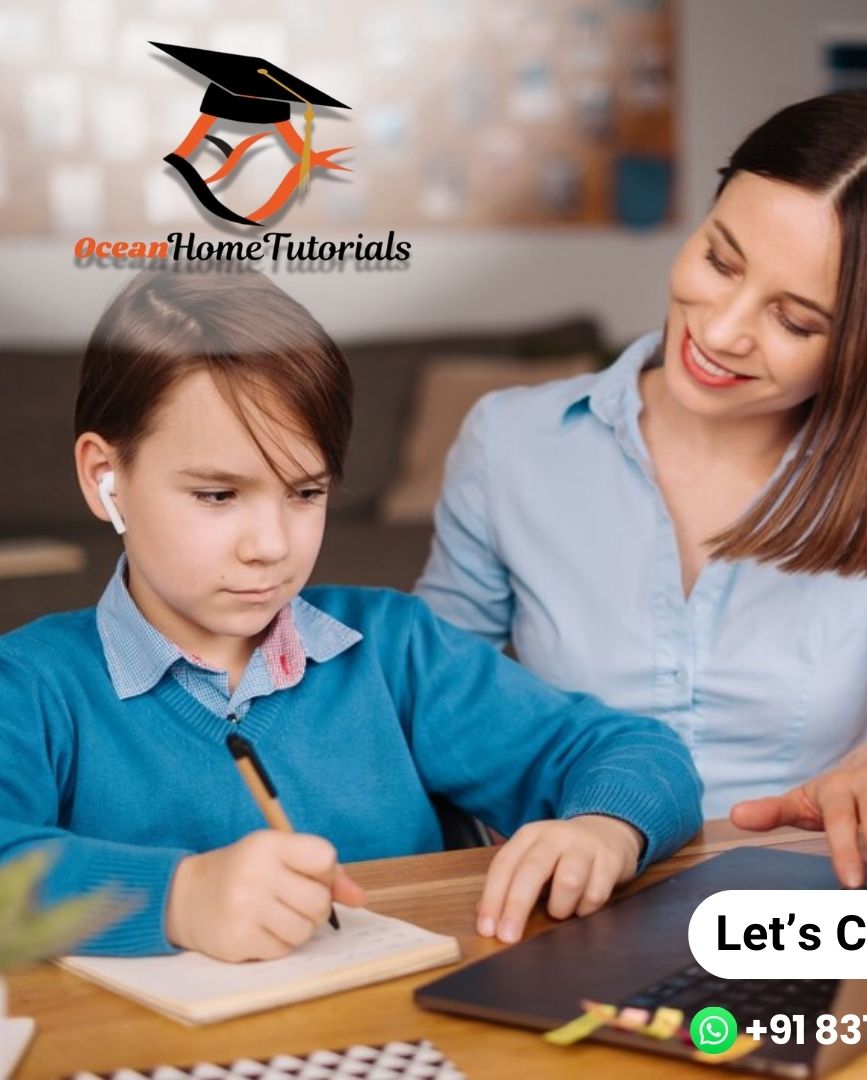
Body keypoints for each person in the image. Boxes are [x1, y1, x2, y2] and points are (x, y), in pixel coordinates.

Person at [417, 92, 867, 888]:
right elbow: (426, 705)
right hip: (561, 904)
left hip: (798, 909)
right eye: (720, 260)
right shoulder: (510, 444)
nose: (720, 330)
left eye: (797, 321)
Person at [0, 269, 702, 959]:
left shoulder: (398, 651)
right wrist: (178, 898)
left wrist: (606, 827)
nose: (272, 546)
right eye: (218, 495)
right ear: (105, 478)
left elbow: (635, 752)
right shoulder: (29, 684)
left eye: (305, 493)